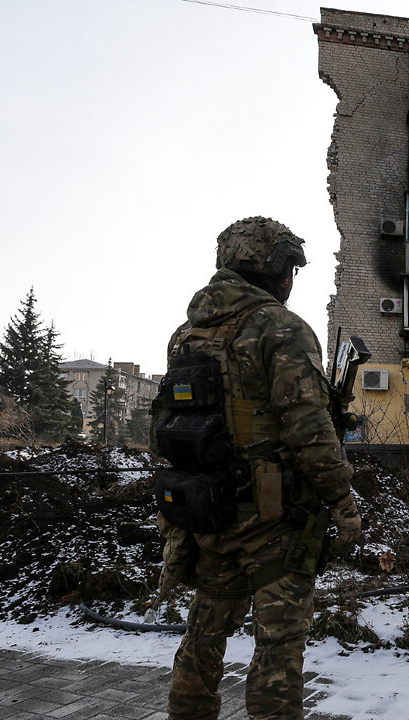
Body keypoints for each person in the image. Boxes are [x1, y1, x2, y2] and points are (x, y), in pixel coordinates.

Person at [152, 216, 362, 720]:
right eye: (290, 268)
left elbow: (167, 427)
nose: (291, 281)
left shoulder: (187, 334)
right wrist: (342, 502)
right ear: (271, 269)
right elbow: (308, 429)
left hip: (209, 509)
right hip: (273, 519)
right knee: (277, 649)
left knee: (203, 633)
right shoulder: (280, 328)